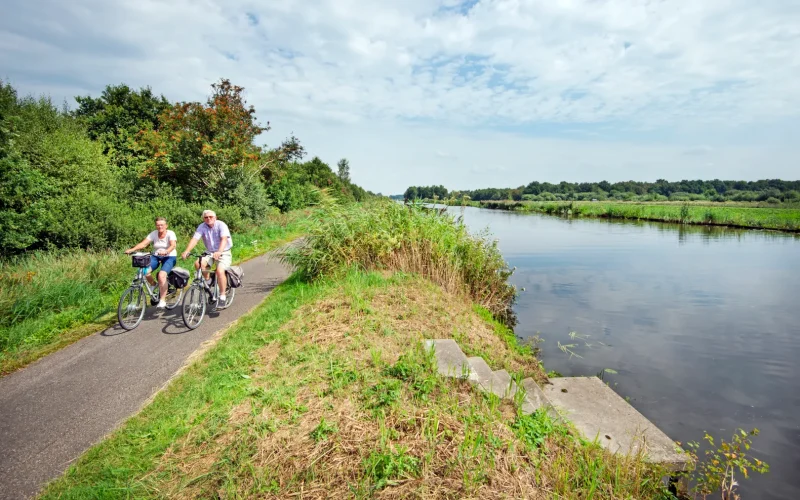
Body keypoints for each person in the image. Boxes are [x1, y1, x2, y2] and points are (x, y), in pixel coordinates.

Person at [181, 210, 233, 305]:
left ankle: (222, 295)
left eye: (210, 217)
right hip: (209, 251)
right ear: (203, 219)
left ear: (215, 218)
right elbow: (195, 239)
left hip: (223, 251)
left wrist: (219, 251)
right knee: (198, 264)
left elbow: (224, 239)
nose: (208, 219)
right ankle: (208, 281)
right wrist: (187, 250)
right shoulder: (202, 226)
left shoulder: (221, 225)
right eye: (206, 217)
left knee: (220, 271)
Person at [125, 217, 178, 309]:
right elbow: (144, 244)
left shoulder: (170, 233)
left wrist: (166, 251)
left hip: (170, 256)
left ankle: (162, 300)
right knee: (143, 271)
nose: (160, 227)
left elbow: (173, 245)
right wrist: (132, 249)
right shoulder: (154, 233)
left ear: (166, 226)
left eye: (162, 225)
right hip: (156, 255)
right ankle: (153, 285)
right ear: (156, 225)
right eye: (158, 225)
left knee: (162, 275)